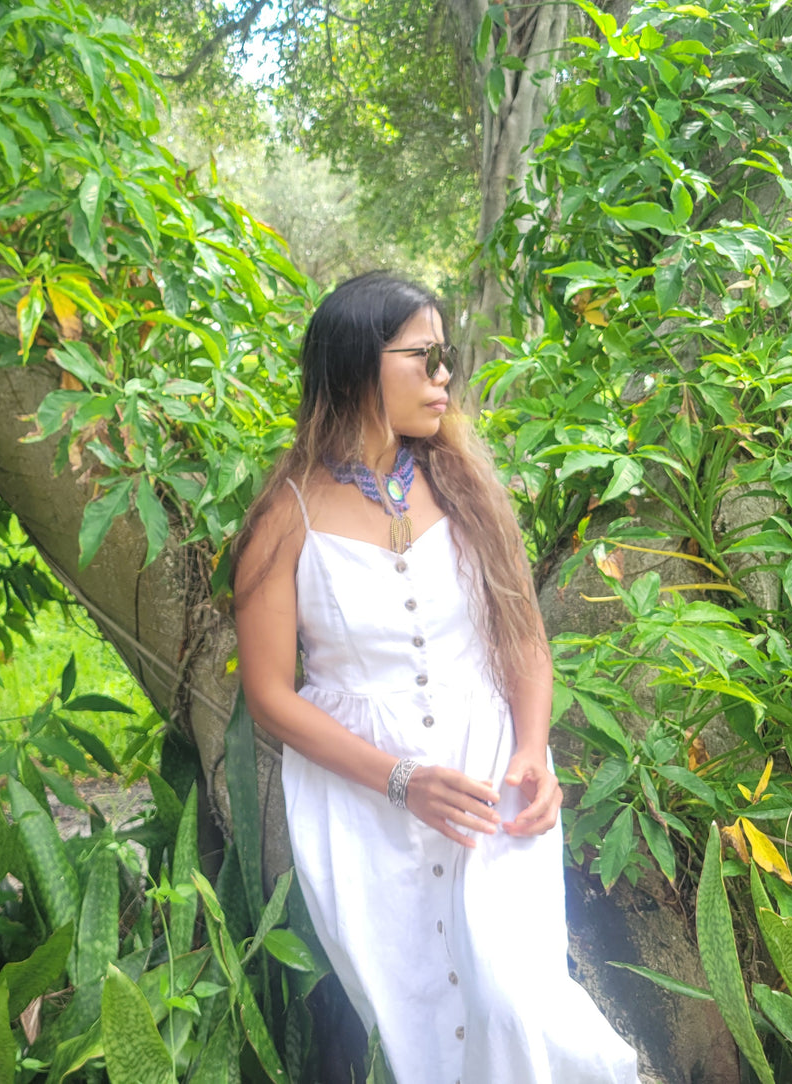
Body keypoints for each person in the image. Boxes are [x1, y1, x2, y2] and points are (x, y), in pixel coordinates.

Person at [231, 273, 639, 1083]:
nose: (444, 375)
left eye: (444, 357)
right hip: (362, 806)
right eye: (424, 357)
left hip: (491, 784)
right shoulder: (285, 517)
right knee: (420, 1031)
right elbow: (268, 695)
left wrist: (531, 750)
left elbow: (522, 639)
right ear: (359, 366)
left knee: (516, 1003)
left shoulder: (466, 489)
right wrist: (400, 780)